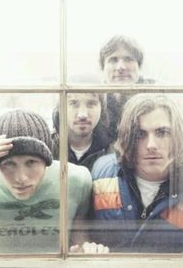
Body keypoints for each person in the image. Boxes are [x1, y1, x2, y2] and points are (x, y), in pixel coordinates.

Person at [0, 109, 106, 254]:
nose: (21, 177)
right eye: (8, 164)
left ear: (46, 160)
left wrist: (86, 250)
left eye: (31, 162)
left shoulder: (75, 179)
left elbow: (78, 238)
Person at [91, 93, 183, 253]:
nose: (151, 145)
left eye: (162, 133)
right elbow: (82, 231)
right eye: (140, 135)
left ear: (178, 136)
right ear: (128, 137)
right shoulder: (103, 173)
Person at [99, 35, 154, 142]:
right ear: (103, 67)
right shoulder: (94, 100)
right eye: (113, 60)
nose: (121, 67)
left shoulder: (158, 96)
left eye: (128, 59)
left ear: (139, 66)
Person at [51, 93, 112, 171]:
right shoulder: (46, 150)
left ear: (101, 108)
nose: (82, 115)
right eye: (73, 103)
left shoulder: (113, 154)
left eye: (91, 103)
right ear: (60, 108)